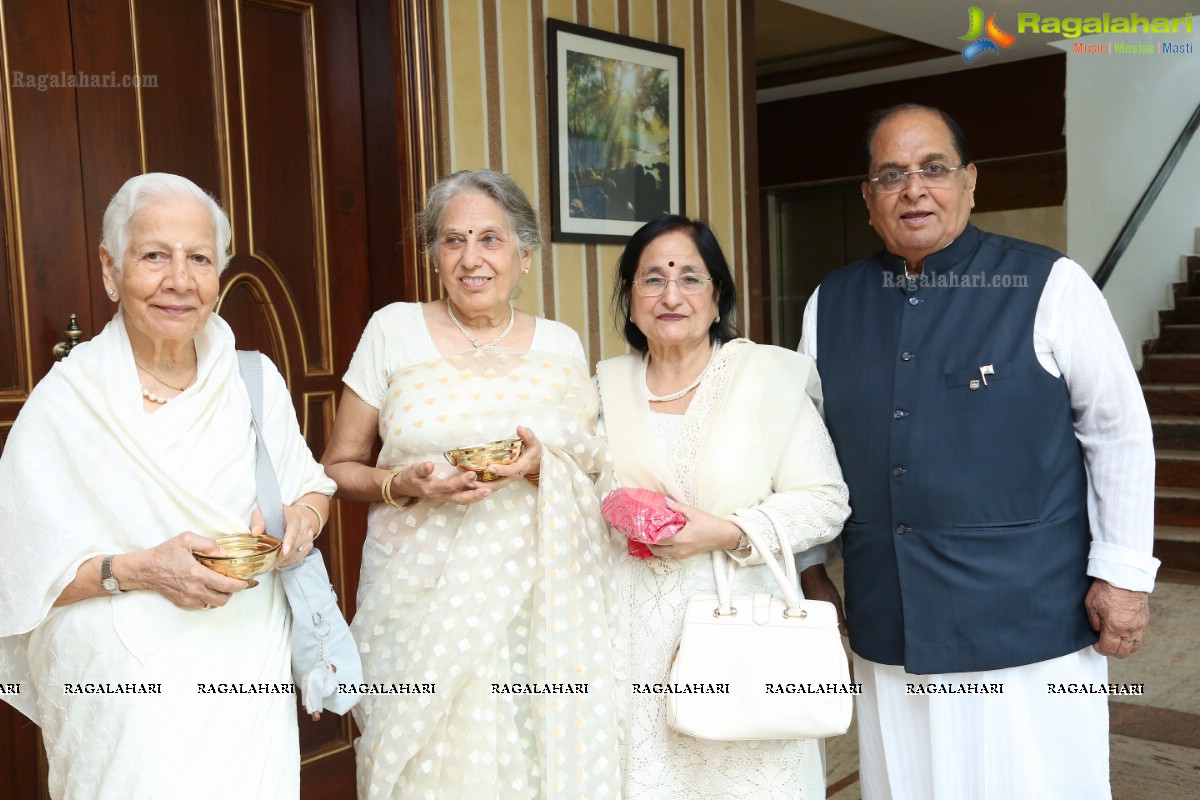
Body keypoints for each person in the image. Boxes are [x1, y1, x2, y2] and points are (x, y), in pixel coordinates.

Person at [798, 103, 1158, 799]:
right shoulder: (830, 302)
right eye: (891, 174)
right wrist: (812, 569)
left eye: (934, 168)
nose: (914, 189)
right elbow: (804, 449)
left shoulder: (1051, 284)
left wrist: (1124, 576)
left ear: (970, 181)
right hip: (890, 607)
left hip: (1028, 613)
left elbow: (1117, 432)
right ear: (868, 200)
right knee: (910, 783)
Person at [0, 173, 335, 798]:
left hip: (244, 672)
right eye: (155, 256)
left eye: (200, 259)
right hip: (123, 696)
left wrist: (302, 522)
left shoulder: (253, 379)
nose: (179, 280)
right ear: (109, 268)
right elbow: (19, 576)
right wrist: (142, 570)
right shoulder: (64, 404)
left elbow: (312, 488)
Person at [320, 169, 621, 799]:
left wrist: (542, 466)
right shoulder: (392, 330)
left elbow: (598, 468)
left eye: (491, 238)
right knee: (419, 763)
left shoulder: (561, 346)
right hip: (417, 595)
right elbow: (338, 467)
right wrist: (404, 483)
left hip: (540, 599)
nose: (471, 258)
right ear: (434, 256)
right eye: (453, 240)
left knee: (536, 761)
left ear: (525, 255)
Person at [595, 213, 850, 799]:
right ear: (630, 299)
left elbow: (826, 501)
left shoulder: (765, 378)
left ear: (717, 297)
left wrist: (727, 530)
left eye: (690, 278)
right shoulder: (602, 390)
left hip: (744, 638)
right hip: (631, 646)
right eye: (652, 279)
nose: (671, 294)